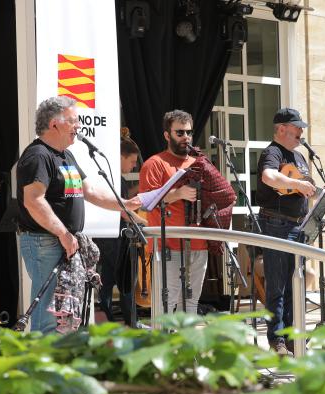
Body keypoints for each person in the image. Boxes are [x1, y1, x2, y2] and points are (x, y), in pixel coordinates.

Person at [16, 95, 142, 334]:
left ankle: (60, 365)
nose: (79, 127)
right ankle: (42, 368)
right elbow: (33, 201)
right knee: (48, 317)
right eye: (73, 121)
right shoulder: (37, 156)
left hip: (63, 241)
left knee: (64, 317)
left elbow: (90, 191)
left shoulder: (66, 155)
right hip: (44, 242)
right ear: (54, 123)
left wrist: (125, 204)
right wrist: (63, 233)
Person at [256, 108, 316, 355]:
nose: (301, 132)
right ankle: (277, 340)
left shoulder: (299, 156)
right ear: (281, 129)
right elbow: (269, 177)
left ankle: (293, 336)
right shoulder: (272, 152)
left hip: (297, 224)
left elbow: (305, 188)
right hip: (276, 223)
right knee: (277, 285)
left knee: (295, 284)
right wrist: (296, 184)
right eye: (296, 128)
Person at [139, 110, 208, 314]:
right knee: (165, 309)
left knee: (191, 308)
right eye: (180, 132)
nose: (186, 137)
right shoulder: (154, 163)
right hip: (168, 245)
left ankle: (187, 346)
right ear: (167, 135)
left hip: (199, 242)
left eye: (189, 132)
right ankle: (164, 346)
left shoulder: (199, 163)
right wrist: (178, 194)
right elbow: (145, 202)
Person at [95, 131, 146, 325]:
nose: (134, 165)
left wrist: (138, 191)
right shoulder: (116, 178)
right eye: (132, 161)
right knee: (126, 282)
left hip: (105, 236)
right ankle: (132, 322)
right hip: (115, 237)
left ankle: (106, 321)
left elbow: (122, 200)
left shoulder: (113, 177)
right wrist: (143, 222)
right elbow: (122, 209)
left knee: (106, 283)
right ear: (120, 157)